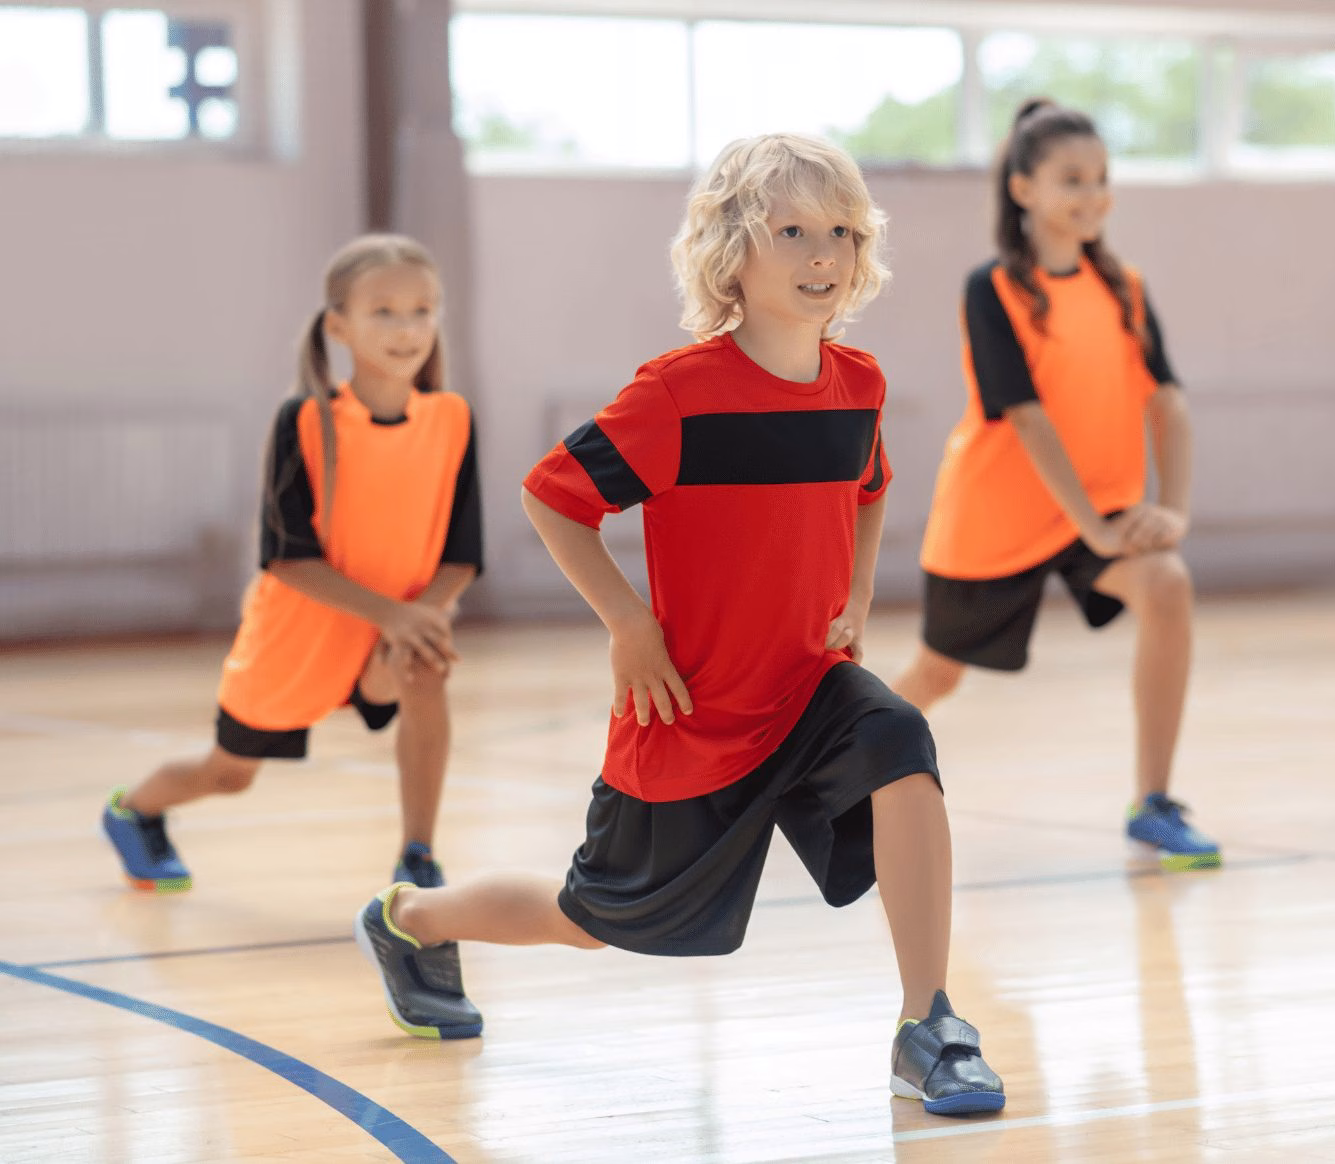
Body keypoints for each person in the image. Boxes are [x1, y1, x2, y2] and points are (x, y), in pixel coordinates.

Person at [354, 134, 1005, 1116]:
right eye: (791, 231)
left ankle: (931, 1024)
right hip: (692, 715)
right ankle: (411, 919)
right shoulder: (678, 394)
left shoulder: (856, 384)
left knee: (901, 744)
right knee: (588, 921)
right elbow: (552, 499)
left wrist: (860, 594)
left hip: (807, 688)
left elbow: (869, 486)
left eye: (839, 231)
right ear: (732, 249)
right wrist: (629, 625)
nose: (821, 254)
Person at [891, 99, 1220, 871]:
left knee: (1167, 582)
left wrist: (1171, 509)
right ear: (1023, 188)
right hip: (996, 515)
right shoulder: (993, 289)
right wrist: (1102, 529)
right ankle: (831, 770)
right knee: (938, 673)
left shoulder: (1125, 290)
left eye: (1102, 179)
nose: (1093, 195)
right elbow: (1028, 420)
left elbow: (1169, 404)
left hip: (1094, 509)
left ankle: (1154, 802)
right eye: (1072, 178)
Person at [101, 233, 482, 893]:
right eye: (384, 310)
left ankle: (417, 856)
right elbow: (289, 559)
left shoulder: (451, 419)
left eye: (423, 310)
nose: (407, 327)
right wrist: (397, 614)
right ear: (338, 325)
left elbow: (462, 552)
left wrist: (421, 617)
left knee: (426, 673)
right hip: (299, 632)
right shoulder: (305, 420)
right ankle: (134, 811)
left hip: (390, 630)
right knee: (228, 774)